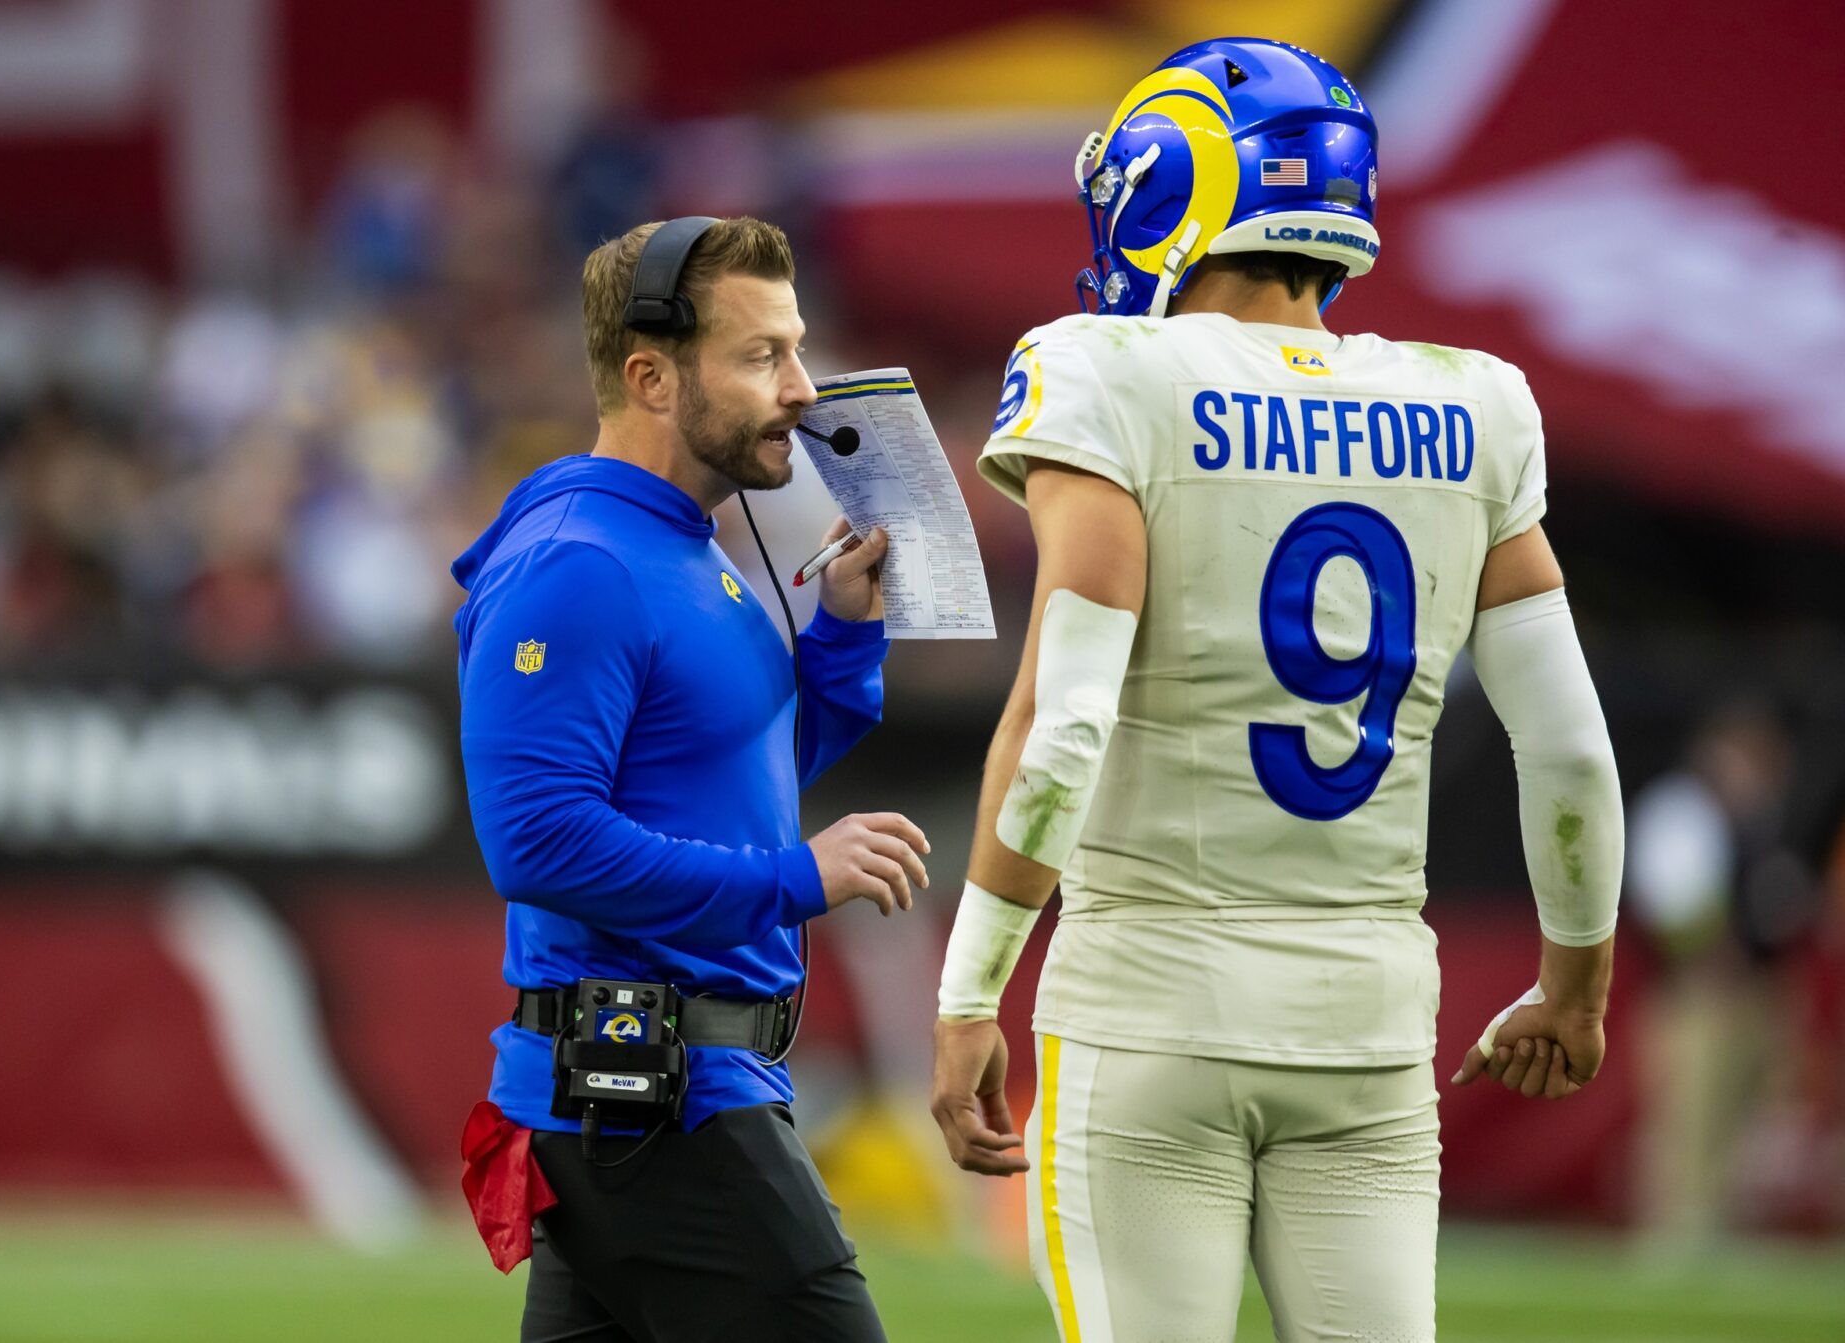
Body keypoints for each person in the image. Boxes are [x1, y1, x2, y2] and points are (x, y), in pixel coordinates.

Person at [927, 39, 1623, 1341]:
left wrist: (972, 991)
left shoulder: (1108, 373)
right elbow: (1571, 748)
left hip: (1152, 1001)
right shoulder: (1474, 402)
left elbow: (1062, 725)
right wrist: (1573, 984)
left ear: (1172, 185)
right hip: (1364, 1017)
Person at [454, 216, 926, 1342]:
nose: (804, 390)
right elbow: (540, 844)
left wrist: (844, 642)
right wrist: (793, 877)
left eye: (796, 349)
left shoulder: (684, 541)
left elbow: (727, 777)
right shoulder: (580, 561)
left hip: (660, 1091)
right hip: (654, 1099)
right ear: (650, 373)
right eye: (763, 355)